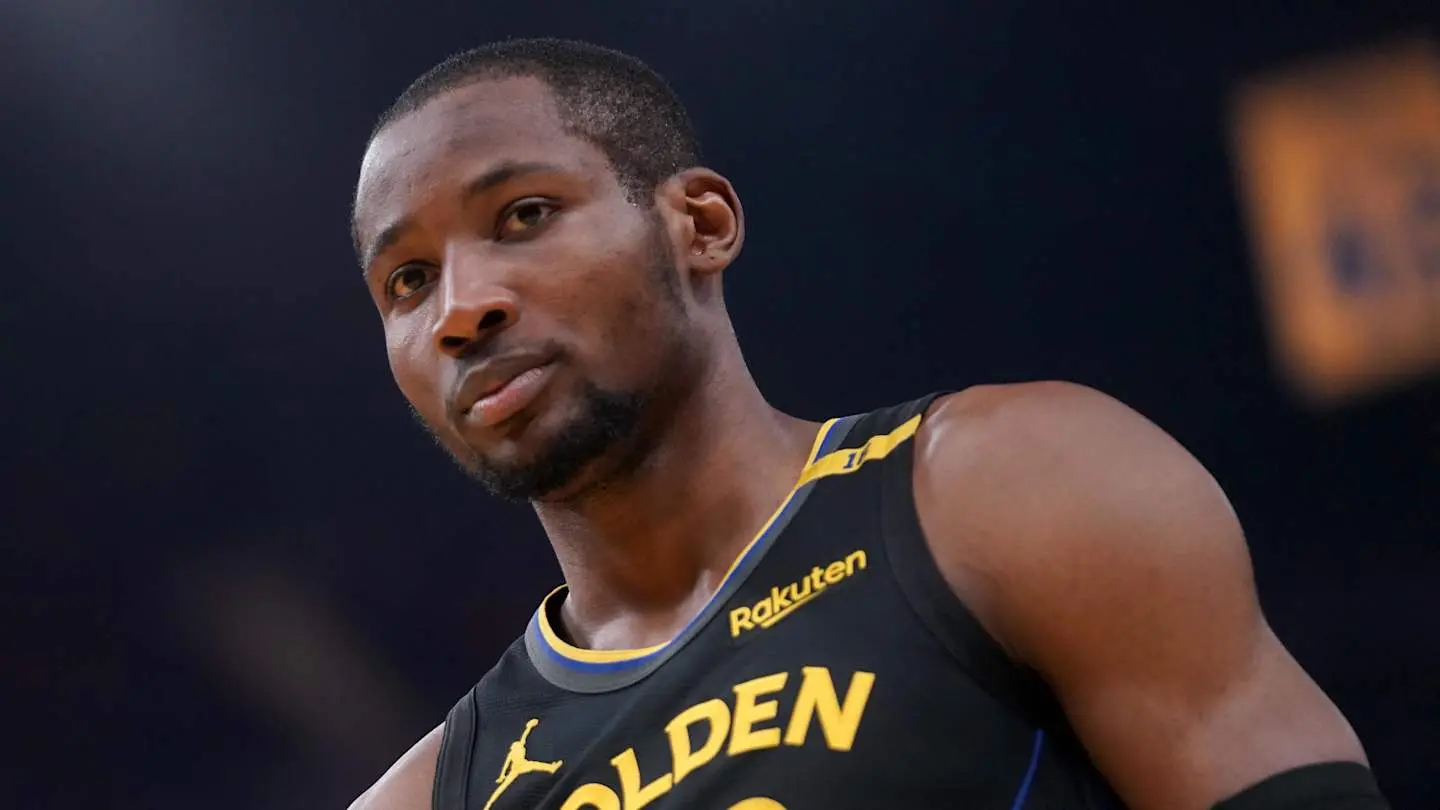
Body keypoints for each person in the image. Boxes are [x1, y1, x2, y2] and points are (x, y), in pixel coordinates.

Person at [346, 37, 1389, 810]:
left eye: (524, 216)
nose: (460, 310)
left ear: (699, 225)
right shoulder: (435, 795)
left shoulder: (1001, 487)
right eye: (408, 280)